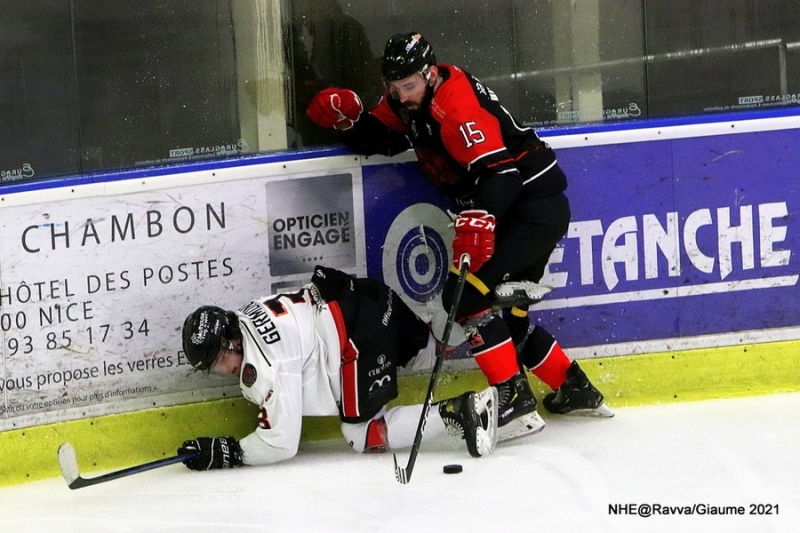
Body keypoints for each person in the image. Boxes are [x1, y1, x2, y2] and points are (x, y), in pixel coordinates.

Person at [306, 31, 613, 443]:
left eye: (408, 86)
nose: (400, 96)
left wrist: (482, 218)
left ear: (429, 74)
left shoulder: (456, 107)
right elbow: (385, 138)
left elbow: (502, 175)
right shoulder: (410, 100)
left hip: (529, 210)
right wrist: (349, 122)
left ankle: (515, 403)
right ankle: (575, 389)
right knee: (505, 317)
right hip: (521, 210)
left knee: (464, 297)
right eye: (393, 88)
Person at [177, 265, 498, 470]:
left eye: (219, 361)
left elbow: (281, 443)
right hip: (368, 294)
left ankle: (459, 411)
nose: (222, 371)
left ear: (232, 341)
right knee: (429, 351)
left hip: (357, 334)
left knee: (361, 434)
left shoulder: (264, 365)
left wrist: (231, 452)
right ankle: (480, 303)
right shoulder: (246, 313)